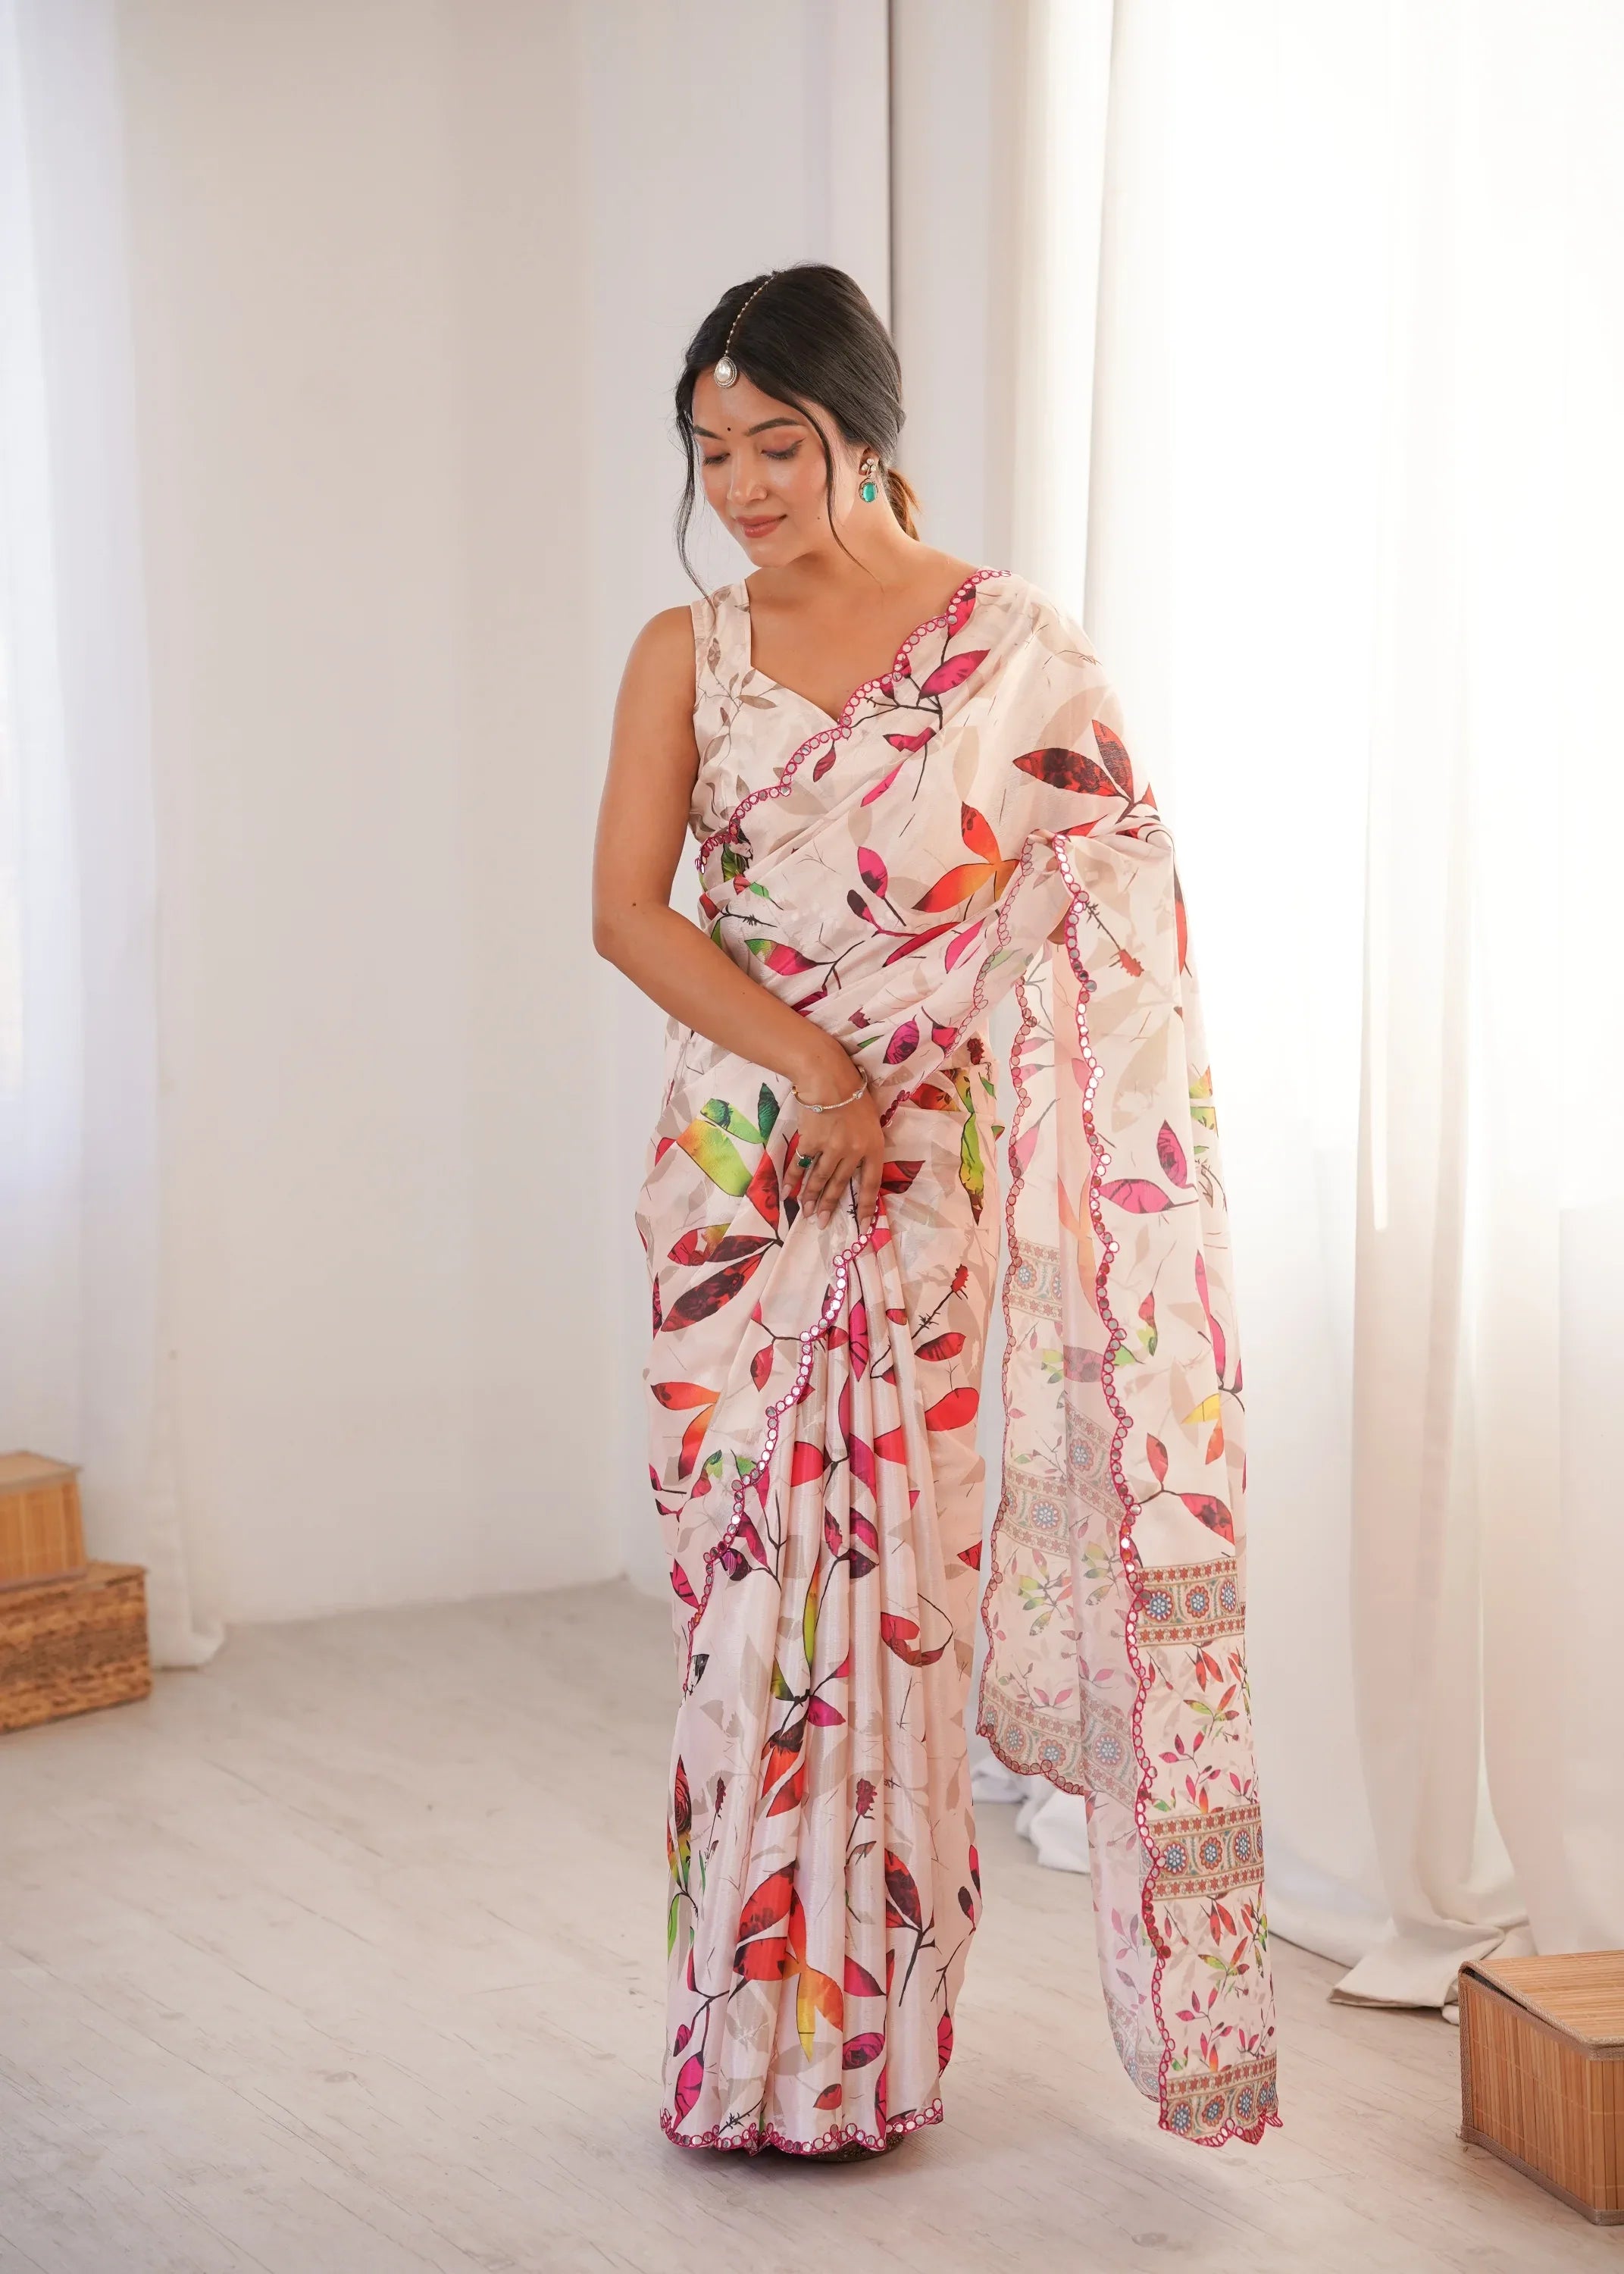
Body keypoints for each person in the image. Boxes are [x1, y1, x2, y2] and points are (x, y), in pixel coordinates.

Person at [593, 263, 1278, 2161]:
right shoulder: (689, 652)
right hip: (743, 1174)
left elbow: (1106, 890)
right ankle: (735, 2054)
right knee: (747, 1618)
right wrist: (821, 1066)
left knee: (902, 1623)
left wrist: (909, 1058)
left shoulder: (1018, 652)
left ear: (862, 433)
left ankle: (867, 2060)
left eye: (776, 446)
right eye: (711, 450)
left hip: (921, 1185)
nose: (738, 485)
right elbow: (628, 912)